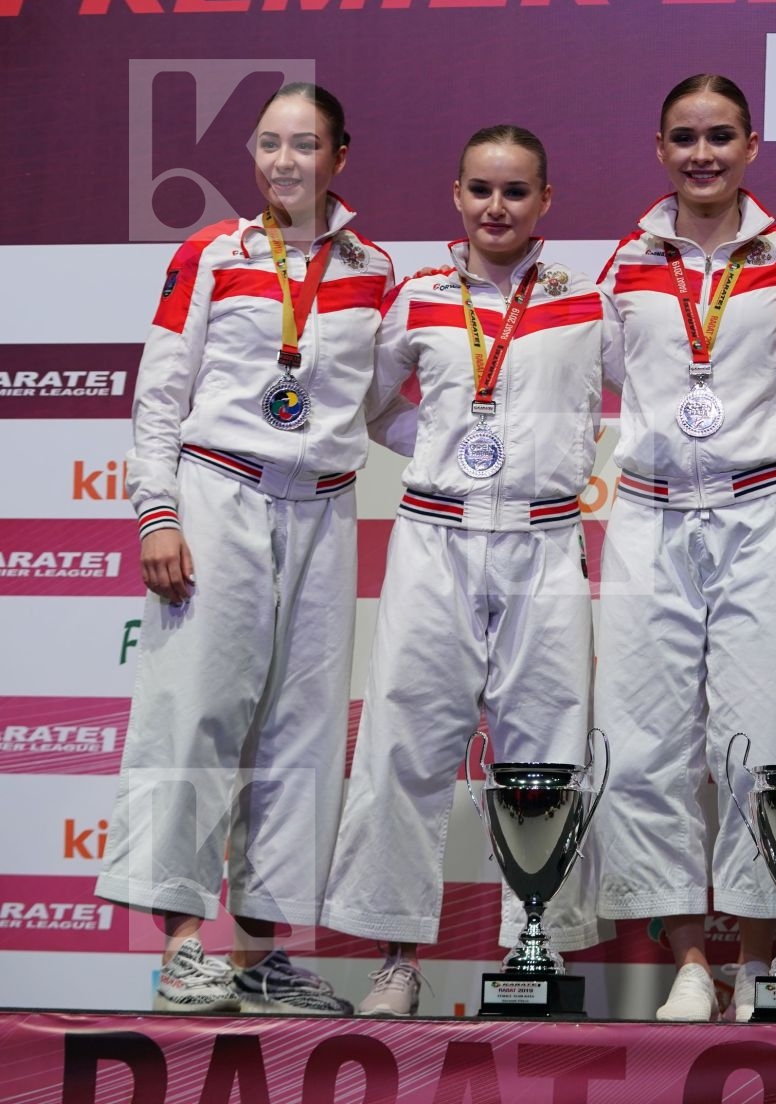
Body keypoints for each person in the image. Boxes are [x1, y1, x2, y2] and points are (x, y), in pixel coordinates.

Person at [95, 83, 393, 1014]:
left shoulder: (376, 270)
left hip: (325, 510)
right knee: (194, 716)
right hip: (218, 495)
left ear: (340, 157)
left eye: (304, 145)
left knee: (301, 735)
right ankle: (182, 945)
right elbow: (159, 392)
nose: (283, 162)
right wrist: (157, 513)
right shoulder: (211, 253)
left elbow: (384, 409)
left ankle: (262, 953)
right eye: (268, 144)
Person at [319, 125, 605, 1015]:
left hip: (546, 539)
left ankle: (538, 953)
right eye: (481, 189)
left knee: (548, 753)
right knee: (403, 745)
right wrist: (445, 449)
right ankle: (396, 960)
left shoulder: (587, 302)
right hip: (435, 535)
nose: (497, 208)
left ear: (545, 201)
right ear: (456, 194)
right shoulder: (419, 297)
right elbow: (365, 407)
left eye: (516, 192)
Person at [591, 74, 776, 1023]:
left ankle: (758, 955)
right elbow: (597, 376)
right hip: (648, 513)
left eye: (721, 136)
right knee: (642, 747)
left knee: (759, 744)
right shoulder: (624, 263)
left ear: (753, 145)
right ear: (659, 147)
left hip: (759, 509)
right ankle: (690, 957)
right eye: (684, 137)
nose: (703, 155)